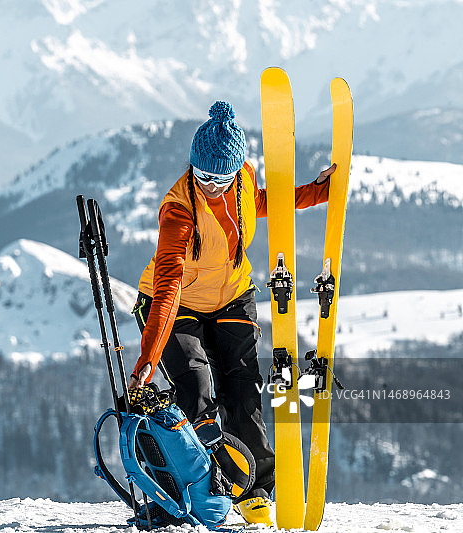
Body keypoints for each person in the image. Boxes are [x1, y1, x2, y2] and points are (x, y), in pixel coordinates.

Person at [127, 100, 335, 526]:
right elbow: (168, 286)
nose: (211, 186)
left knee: (243, 387)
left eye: (221, 179)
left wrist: (316, 192)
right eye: (203, 176)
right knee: (197, 385)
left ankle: (254, 488)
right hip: (175, 303)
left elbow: (260, 202)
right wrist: (148, 358)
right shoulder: (178, 210)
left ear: (236, 170)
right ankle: (202, 489)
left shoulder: (242, 180)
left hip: (231, 296)